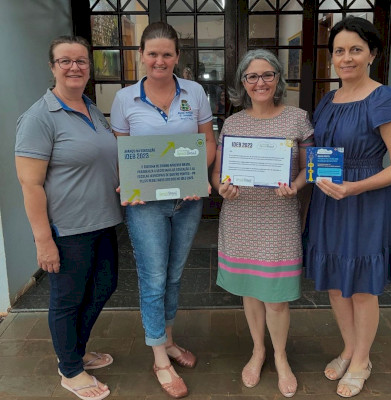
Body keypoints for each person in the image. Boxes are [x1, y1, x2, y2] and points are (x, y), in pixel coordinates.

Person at [304, 16, 391, 398]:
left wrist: (354, 187)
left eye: (355, 49)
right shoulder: (328, 99)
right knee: (336, 283)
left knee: (364, 288)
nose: (345, 58)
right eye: (339, 51)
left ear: (372, 54)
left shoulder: (384, 97)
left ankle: (363, 359)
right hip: (329, 202)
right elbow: (319, 151)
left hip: (365, 201)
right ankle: (349, 349)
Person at [110, 21, 216, 399]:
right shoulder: (125, 99)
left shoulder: (195, 91)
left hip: (187, 201)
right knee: (153, 279)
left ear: (177, 57)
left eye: (167, 53)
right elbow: (122, 152)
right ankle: (159, 357)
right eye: (152, 53)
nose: (159, 60)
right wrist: (129, 183)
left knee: (173, 276)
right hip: (146, 206)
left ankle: (168, 340)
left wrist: (199, 177)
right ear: (141, 55)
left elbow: (207, 139)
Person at [15, 36, 123, 400]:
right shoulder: (39, 117)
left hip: (104, 221)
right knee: (67, 299)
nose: (75, 67)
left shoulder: (91, 108)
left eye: (81, 61)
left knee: (104, 285)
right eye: (65, 61)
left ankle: (74, 351)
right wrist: (43, 241)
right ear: (52, 67)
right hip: (67, 229)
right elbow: (30, 185)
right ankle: (70, 369)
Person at [211, 49, 314, 398]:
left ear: (278, 78)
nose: (260, 82)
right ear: (243, 82)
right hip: (240, 217)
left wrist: (296, 187)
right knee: (251, 293)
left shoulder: (298, 118)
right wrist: (220, 188)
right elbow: (217, 174)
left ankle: (281, 357)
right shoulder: (233, 124)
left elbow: (309, 168)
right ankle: (258, 350)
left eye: (267, 75)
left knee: (277, 299)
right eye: (252, 76)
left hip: (279, 218)